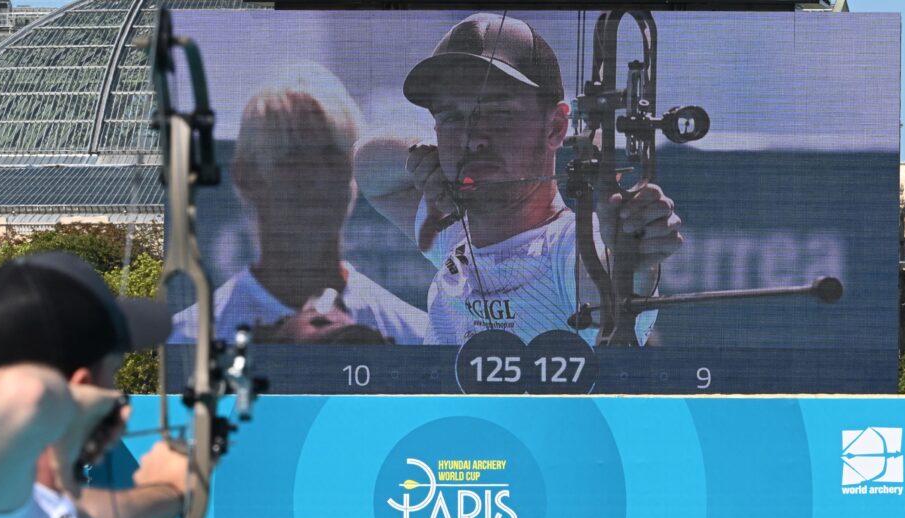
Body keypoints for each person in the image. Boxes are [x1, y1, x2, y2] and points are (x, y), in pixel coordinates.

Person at [354, 13, 683, 345]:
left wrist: (632, 264)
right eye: (452, 116)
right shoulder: (453, 230)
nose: (471, 138)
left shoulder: (572, 245)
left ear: (555, 127)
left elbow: (607, 296)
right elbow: (368, 163)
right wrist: (423, 161)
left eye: (498, 113)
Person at [0, 251, 185, 518]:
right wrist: (78, 408)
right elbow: (27, 396)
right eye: (111, 376)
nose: (120, 406)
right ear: (81, 384)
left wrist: (170, 491)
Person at [171, 62, 426, 345]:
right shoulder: (185, 341)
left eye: (332, 157)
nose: (318, 179)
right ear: (246, 177)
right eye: (294, 159)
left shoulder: (418, 335)